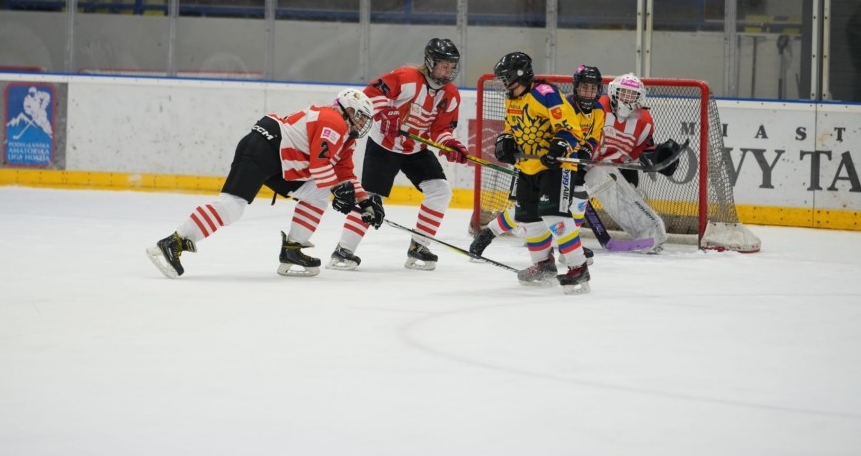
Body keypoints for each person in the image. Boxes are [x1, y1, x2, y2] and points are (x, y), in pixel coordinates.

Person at [147, 88, 385, 279]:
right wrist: (339, 190)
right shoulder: (333, 121)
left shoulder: (346, 138)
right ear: (348, 110)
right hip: (263, 148)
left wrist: (365, 202)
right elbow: (319, 164)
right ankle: (174, 242)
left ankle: (293, 249)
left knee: (318, 192)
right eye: (360, 116)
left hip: (281, 161)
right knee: (232, 206)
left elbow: (344, 173)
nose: (363, 123)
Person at [328, 38, 468, 271]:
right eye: (444, 66)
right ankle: (343, 251)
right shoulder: (407, 77)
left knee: (440, 190)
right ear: (430, 62)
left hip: (415, 149)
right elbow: (371, 94)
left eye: (452, 67)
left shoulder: (451, 95)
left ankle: (419, 246)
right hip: (384, 145)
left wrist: (450, 144)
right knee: (370, 197)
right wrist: (385, 113)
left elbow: (440, 130)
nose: (449, 71)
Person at [468, 54, 603, 295]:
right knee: (529, 219)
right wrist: (505, 141)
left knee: (554, 216)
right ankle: (543, 265)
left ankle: (578, 267)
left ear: (518, 75)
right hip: (528, 167)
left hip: (557, 167)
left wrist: (560, 145)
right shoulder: (512, 98)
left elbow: (570, 128)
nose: (503, 83)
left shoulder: (544, 94)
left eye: (505, 78)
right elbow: (511, 127)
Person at [581, 73, 680, 254]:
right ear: (613, 92)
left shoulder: (645, 121)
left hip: (615, 167)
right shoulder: (597, 107)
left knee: (627, 188)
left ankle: (648, 232)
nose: (627, 98)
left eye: (633, 94)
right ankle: (546, 226)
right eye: (623, 93)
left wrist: (658, 157)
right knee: (576, 191)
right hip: (582, 163)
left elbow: (641, 151)